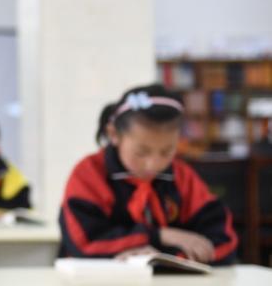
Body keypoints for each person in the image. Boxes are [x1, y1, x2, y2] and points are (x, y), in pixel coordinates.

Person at [59, 84, 238, 264]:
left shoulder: (182, 177)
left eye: (167, 151)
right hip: (96, 280)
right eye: (141, 152)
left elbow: (223, 239)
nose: (153, 164)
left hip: (171, 281)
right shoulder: (89, 174)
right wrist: (160, 236)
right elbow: (84, 244)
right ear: (114, 134)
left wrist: (168, 259)